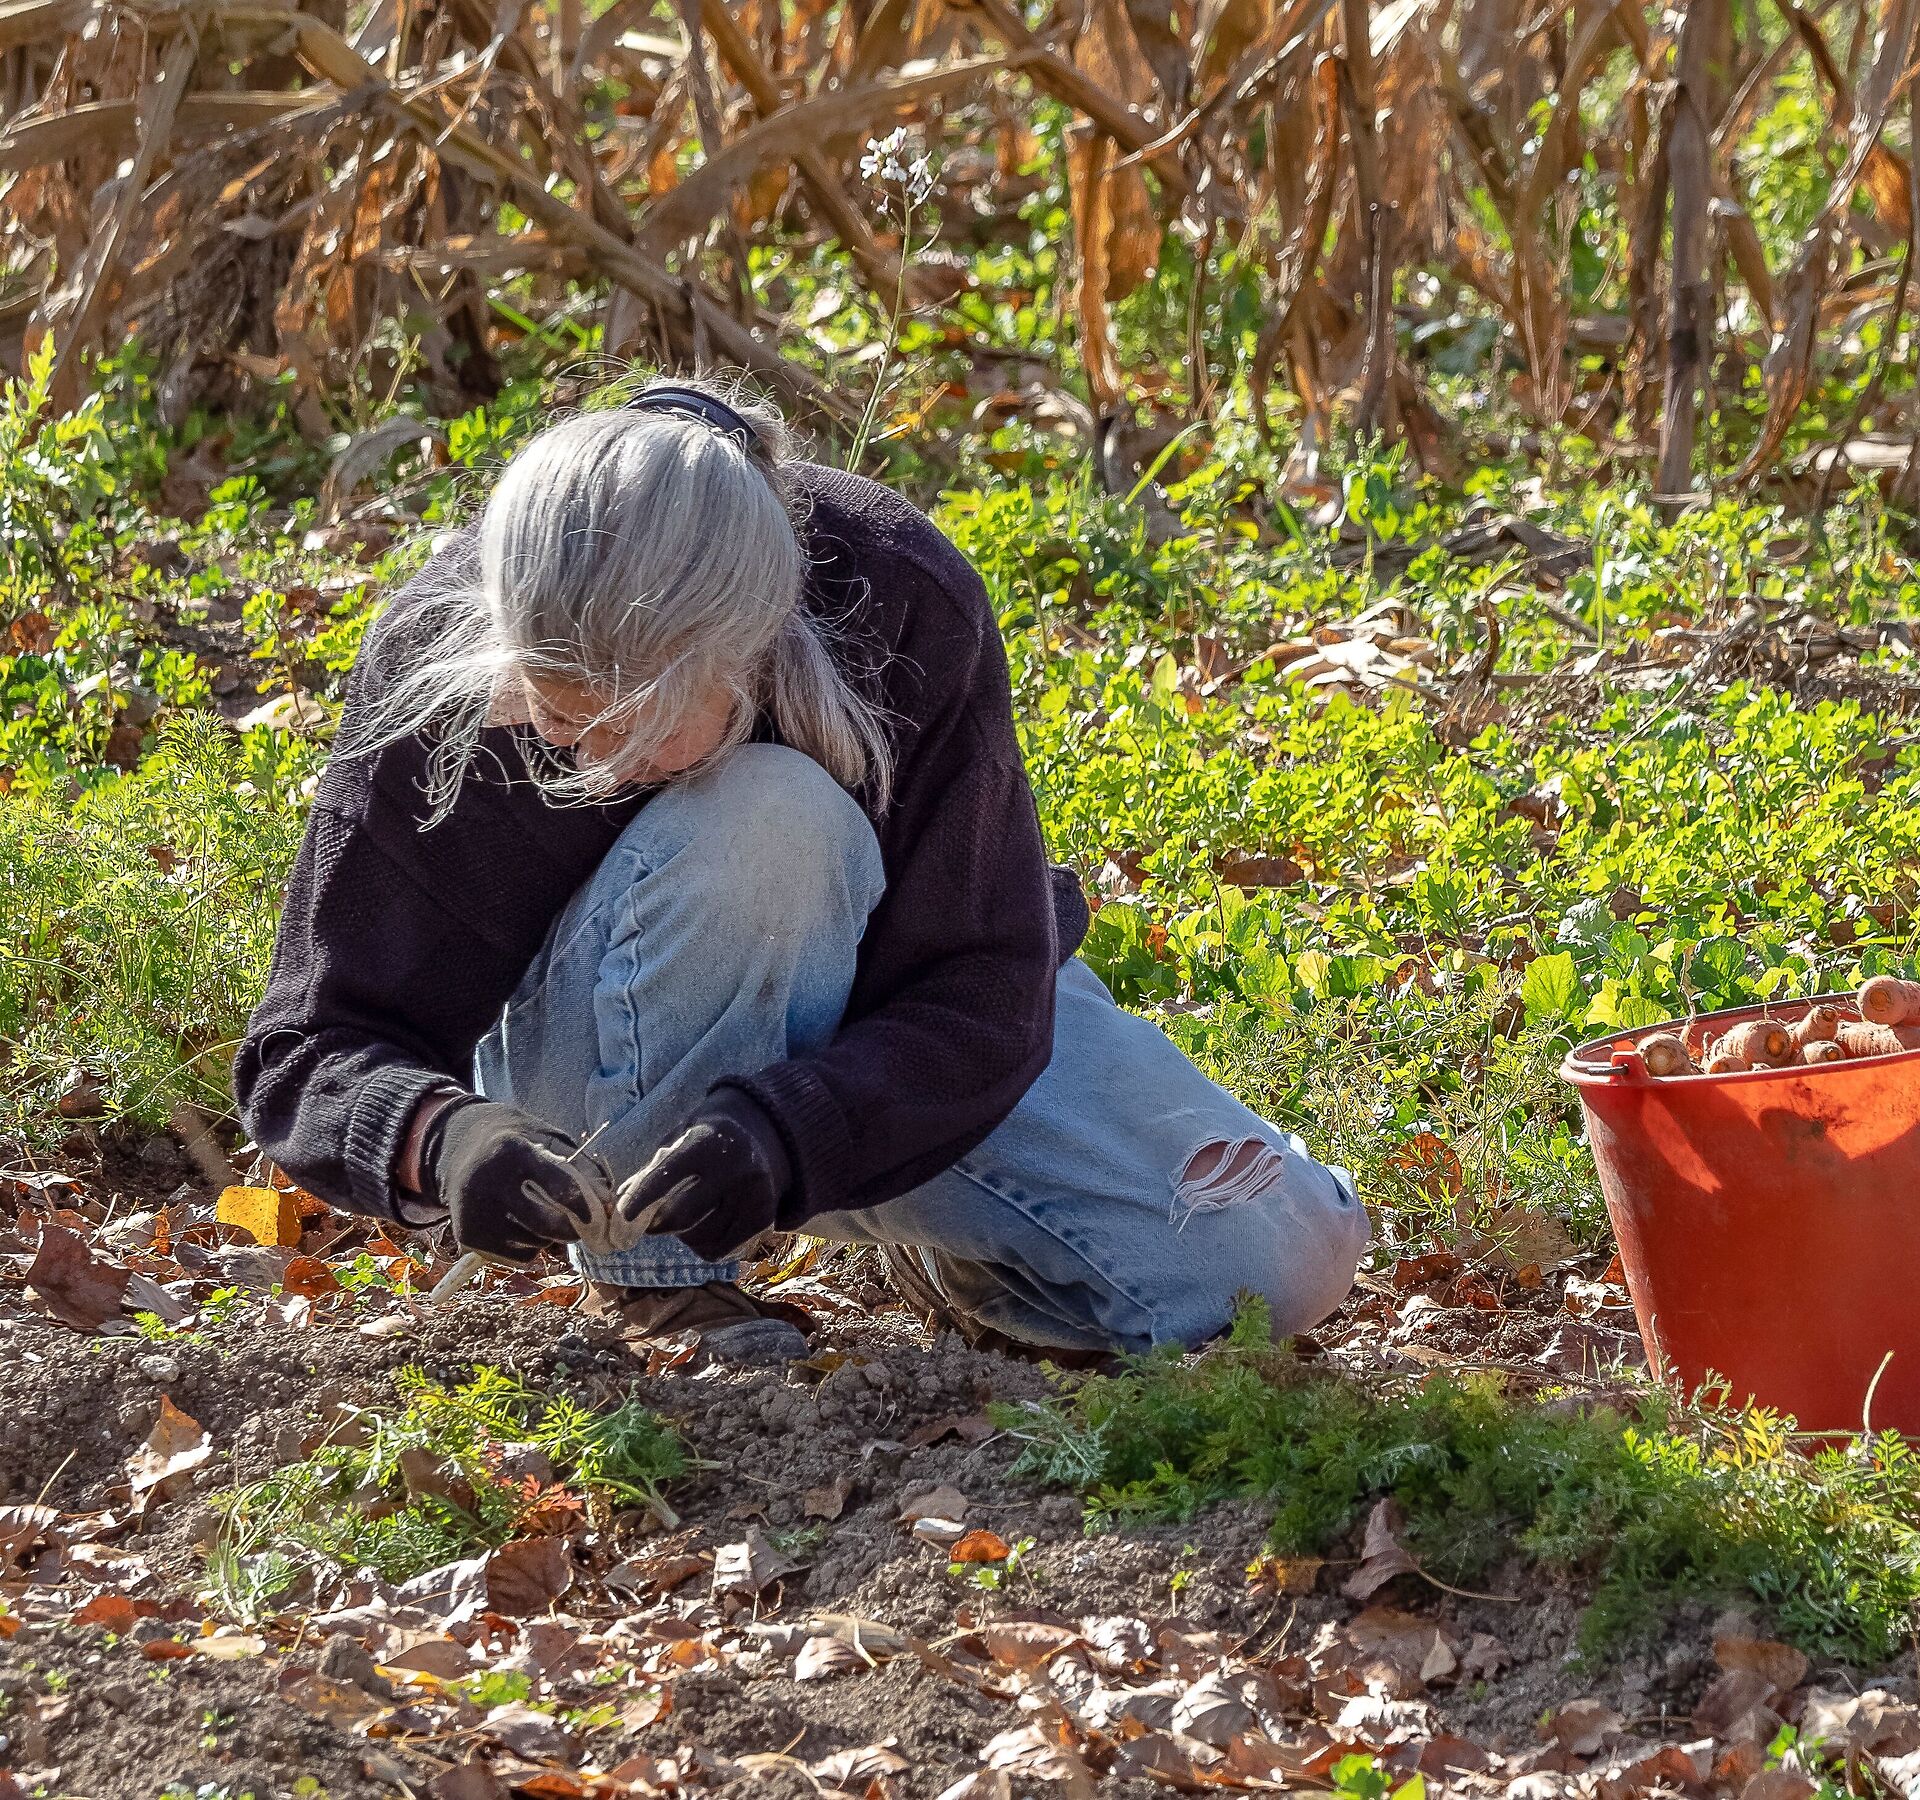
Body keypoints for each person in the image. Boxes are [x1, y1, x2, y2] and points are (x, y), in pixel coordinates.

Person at [234, 379, 1369, 1365]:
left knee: (1272, 1264)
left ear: (751, 649)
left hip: (868, 1070)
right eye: (555, 713)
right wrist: (443, 1139)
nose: (587, 759)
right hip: (595, 1070)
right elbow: (307, 1043)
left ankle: (951, 1268)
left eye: (629, 725)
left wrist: (797, 1133)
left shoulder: (895, 592)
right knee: (771, 816)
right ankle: (661, 1284)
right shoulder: (445, 639)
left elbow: (985, 985)